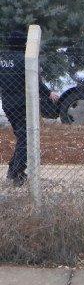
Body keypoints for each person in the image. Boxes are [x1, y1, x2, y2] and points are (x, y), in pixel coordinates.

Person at [0, 28, 60, 186]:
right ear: (21, 44)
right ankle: (15, 173)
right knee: (26, 138)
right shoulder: (23, 59)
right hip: (21, 105)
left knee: (22, 137)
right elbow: (34, 80)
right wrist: (48, 93)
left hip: (7, 104)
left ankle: (15, 169)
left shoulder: (2, 58)